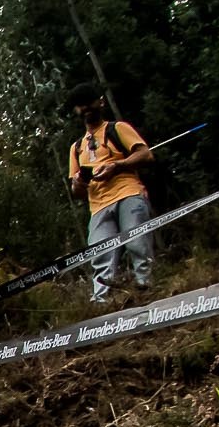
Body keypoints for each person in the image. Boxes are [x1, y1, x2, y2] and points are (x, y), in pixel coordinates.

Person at [66, 86, 155, 302]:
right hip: (98, 206)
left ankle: (146, 290)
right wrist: (79, 182)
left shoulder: (118, 128)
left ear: (100, 102)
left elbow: (145, 155)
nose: (86, 107)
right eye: (80, 105)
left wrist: (117, 166)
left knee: (137, 243)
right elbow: (76, 191)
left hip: (128, 193)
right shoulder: (76, 148)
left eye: (89, 101)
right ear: (76, 110)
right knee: (101, 255)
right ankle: (102, 303)